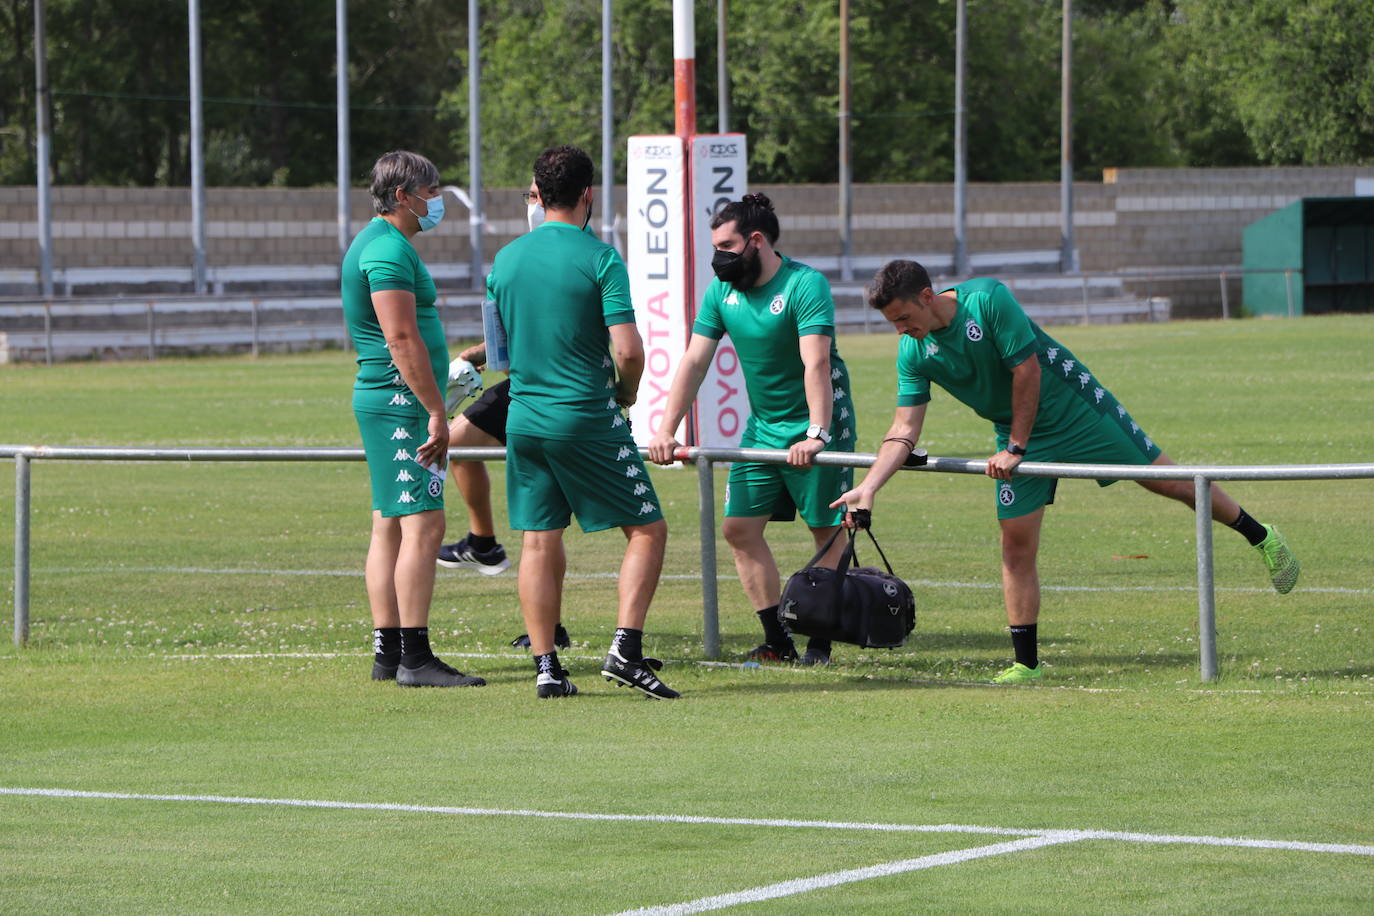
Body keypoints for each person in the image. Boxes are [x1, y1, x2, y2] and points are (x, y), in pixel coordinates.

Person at [834, 260, 1301, 684]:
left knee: (1171, 483)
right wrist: (869, 487)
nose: (900, 330)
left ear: (927, 296)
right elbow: (903, 429)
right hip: (1016, 434)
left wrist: (1016, 447)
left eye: (903, 318)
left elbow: (1027, 371)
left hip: (1076, 410)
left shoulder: (988, 299)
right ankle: (1027, 665)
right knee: (1015, 543)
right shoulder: (913, 351)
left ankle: (1262, 537)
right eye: (892, 323)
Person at [489, 144, 677, 700]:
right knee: (647, 529)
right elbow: (629, 351)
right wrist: (626, 394)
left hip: (524, 417)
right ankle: (625, 650)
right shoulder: (600, 258)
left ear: (538, 194)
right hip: (585, 415)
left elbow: (500, 353)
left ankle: (547, 667)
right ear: (588, 194)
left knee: (538, 540)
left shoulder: (505, 260)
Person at [648, 193, 857, 667]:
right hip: (762, 428)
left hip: (819, 425)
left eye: (726, 246)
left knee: (825, 531)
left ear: (756, 240)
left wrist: (817, 433)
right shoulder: (721, 292)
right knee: (739, 529)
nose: (718, 257)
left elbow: (816, 363)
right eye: (715, 248)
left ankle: (819, 644)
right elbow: (694, 361)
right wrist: (666, 428)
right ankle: (777, 641)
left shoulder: (805, 284)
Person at [341, 149, 485, 688]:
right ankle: (415, 658)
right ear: (402, 196)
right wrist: (435, 410)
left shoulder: (381, 242)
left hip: (391, 399)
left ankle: (389, 653)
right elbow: (400, 338)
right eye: (431, 192)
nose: (437, 201)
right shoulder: (386, 249)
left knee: (389, 524)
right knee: (424, 523)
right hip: (400, 403)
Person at [435, 180, 573, 651]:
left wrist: (476, 356)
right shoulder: (523, 255)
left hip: (550, 392)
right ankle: (484, 543)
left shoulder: (569, 255)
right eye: (529, 196)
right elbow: (509, 336)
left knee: (546, 524)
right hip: (532, 387)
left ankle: (552, 628)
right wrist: (476, 356)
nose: (532, 204)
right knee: (457, 446)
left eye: (537, 196)